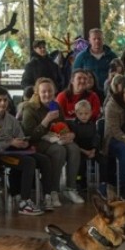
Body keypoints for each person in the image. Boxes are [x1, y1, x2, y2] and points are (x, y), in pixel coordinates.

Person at [19, 77, 84, 206]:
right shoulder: (30, 108)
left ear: (54, 92)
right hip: (36, 143)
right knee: (59, 150)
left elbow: (63, 126)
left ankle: (70, 188)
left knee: (74, 148)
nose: (47, 94)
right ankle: (52, 191)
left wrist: (69, 135)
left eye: (50, 91)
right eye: (44, 91)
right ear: (37, 92)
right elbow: (29, 136)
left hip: (55, 138)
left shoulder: (56, 106)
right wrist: (46, 121)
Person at [0, 86, 52, 215]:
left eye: (5, 100)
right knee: (29, 162)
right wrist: (10, 142)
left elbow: (20, 135)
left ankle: (47, 196)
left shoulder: (11, 119)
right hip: (0, 154)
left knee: (44, 159)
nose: (3, 103)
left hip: (16, 151)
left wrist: (23, 142)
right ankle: (24, 201)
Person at [69, 100, 102, 191]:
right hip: (79, 150)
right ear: (76, 113)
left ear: (91, 113)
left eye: (86, 113)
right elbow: (73, 142)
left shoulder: (92, 125)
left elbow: (96, 137)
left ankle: (103, 182)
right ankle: (80, 182)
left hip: (92, 149)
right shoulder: (73, 125)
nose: (84, 116)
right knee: (80, 163)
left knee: (103, 159)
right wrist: (86, 152)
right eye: (81, 114)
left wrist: (94, 150)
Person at [73, 28, 117, 94]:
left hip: (108, 93)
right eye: (94, 39)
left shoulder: (112, 56)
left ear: (103, 40)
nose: (97, 41)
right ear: (89, 40)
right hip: (87, 94)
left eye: (99, 39)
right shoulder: (81, 57)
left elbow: (118, 76)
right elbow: (74, 76)